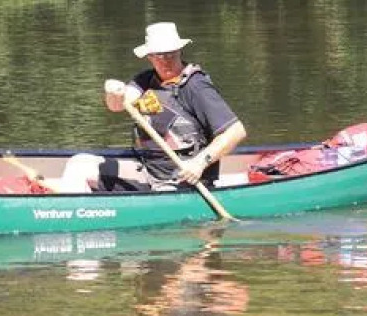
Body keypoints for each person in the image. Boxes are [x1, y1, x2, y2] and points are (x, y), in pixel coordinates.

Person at [56, 21, 246, 193]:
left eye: (171, 54)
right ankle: (71, 213)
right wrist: (113, 93)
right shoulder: (145, 80)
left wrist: (198, 163)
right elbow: (116, 106)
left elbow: (236, 131)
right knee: (79, 163)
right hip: (147, 169)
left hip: (179, 181)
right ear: (149, 56)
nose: (165, 60)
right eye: (159, 55)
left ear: (180, 51)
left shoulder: (195, 87)